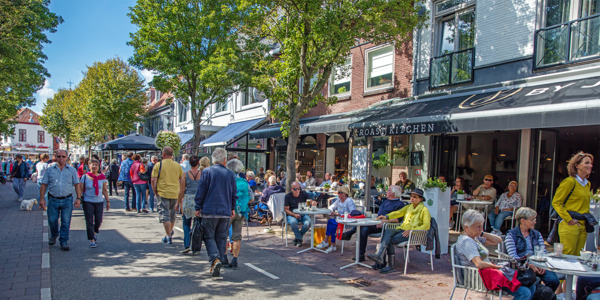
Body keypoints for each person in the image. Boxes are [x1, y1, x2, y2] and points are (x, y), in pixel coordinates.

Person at [455, 209, 535, 300]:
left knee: (531, 286)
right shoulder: (467, 241)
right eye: (478, 226)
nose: (481, 229)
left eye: (481, 226)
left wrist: (481, 233)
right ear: (466, 227)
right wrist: (498, 268)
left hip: (489, 274)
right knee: (525, 293)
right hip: (479, 277)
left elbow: (498, 240)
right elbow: (479, 264)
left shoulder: (474, 238)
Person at [194, 147, 238, 277]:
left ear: (213, 160)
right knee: (221, 237)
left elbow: (200, 191)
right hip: (224, 211)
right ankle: (218, 259)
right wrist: (232, 208)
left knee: (208, 236)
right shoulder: (230, 174)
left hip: (209, 210)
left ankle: (215, 259)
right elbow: (233, 194)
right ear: (224, 160)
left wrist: (197, 207)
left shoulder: (206, 172)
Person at [367, 188, 431, 274]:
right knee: (388, 230)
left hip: (413, 234)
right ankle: (380, 256)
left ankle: (389, 264)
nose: (412, 198)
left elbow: (426, 226)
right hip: (402, 228)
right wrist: (386, 216)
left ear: (421, 199)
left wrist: (412, 229)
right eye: (411, 196)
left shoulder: (424, 210)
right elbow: (397, 213)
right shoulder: (409, 207)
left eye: (415, 197)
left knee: (389, 239)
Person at [341, 185, 407, 262]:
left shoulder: (400, 204)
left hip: (386, 226)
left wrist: (384, 222)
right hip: (376, 223)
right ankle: (360, 254)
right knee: (363, 229)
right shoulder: (386, 201)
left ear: (393, 193)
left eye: (388, 190)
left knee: (363, 226)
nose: (386, 192)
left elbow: (397, 220)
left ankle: (349, 234)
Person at [505, 207, 560, 292]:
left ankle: (545, 296)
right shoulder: (511, 235)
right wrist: (530, 265)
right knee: (535, 281)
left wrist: (542, 265)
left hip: (539, 264)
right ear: (523, 221)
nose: (535, 221)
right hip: (522, 266)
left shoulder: (537, 234)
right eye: (532, 219)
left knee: (554, 281)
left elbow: (543, 252)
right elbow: (514, 257)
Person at [39, 150, 81, 251]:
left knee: (65, 222)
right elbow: (44, 184)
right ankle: (54, 234)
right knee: (52, 221)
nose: (61, 158)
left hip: (67, 199)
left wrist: (78, 198)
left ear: (67, 157)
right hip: (53, 199)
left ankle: (63, 241)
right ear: (55, 157)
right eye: (59, 156)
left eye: (63, 156)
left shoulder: (72, 170)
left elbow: (77, 184)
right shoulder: (50, 170)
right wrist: (41, 199)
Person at [553, 151, 593, 257]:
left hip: (583, 224)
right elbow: (556, 202)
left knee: (579, 256)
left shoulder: (587, 184)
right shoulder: (569, 182)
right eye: (587, 163)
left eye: (590, 163)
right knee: (568, 255)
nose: (590, 165)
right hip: (569, 223)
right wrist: (569, 219)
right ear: (577, 165)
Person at [152, 147, 183, 245]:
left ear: (163, 154)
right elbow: (182, 179)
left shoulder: (158, 165)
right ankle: (169, 233)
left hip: (163, 192)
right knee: (172, 215)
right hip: (175, 193)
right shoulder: (177, 165)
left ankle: (168, 236)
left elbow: (153, 180)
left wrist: (155, 191)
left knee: (165, 215)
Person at [224, 158, 251, 270]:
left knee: (223, 235)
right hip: (241, 211)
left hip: (228, 210)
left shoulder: (226, 179)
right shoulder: (244, 182)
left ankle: (224, 258)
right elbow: (251, 197)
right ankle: (235, 260)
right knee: (237, 236)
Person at [316, 185, 356, 253]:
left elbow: (353, 213)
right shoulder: (339, 200)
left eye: (339, 192)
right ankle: (332, 244)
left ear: (344, 193)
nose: (337, 194)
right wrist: (332, 211)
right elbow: (331, 207)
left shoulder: (349, 201)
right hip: (339, 220)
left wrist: (341, 215)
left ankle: (328, 242)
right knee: (331, 223)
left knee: (331, 222)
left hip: (347, 221)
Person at [81, 159, 110, 248]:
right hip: (88, 201)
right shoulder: (85, 177)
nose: (94, 166)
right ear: (89, 166)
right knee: (89, 221)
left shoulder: (102, 177)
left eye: (96, 165)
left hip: (99, 202)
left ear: (98, 166)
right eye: (92, 165)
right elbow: (81, 189)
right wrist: (78, 199)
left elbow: (105, 190)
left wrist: (108, 201)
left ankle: (94, 232)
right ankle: (92, 240)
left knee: (98, 220)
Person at [176, 155, 202, 254]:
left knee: (186, 223)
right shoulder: (202, 174)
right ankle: (196, 247)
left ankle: (187, 244)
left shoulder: (185, 174)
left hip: (188, 200)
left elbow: (182, 190)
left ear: (189, 163)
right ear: (198, 163)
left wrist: (178, 202)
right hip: (199, 200)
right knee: (198, 225)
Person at [285, 181, 318, 247]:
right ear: (291, 189)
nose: (297, 190)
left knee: (309, 222)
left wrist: (313, 202)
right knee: (293, 222)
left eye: (298, 188)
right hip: (292, 214)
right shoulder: (288, 196)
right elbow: (286, 210)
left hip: (303, 213)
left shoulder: (304, 193)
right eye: (295, 189)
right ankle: (299, 239)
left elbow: (310, 201)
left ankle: (298, 238)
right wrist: (294, 215)